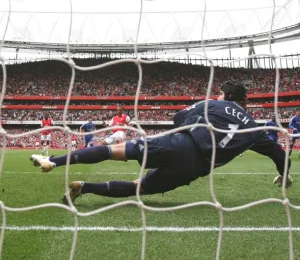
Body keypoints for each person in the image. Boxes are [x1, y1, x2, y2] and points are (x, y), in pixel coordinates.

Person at [30, 80, 292, 205]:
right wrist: (284, 175)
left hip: (179, 143)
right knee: (139, 188)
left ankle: (52, 161)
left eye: (220, 92)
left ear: (225, 95)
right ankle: (84, 188)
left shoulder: (212, 104)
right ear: (245, 103)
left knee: (114, 151)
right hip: (195, 167)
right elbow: (280, 155)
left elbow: (179, 117)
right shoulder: (254, 128)